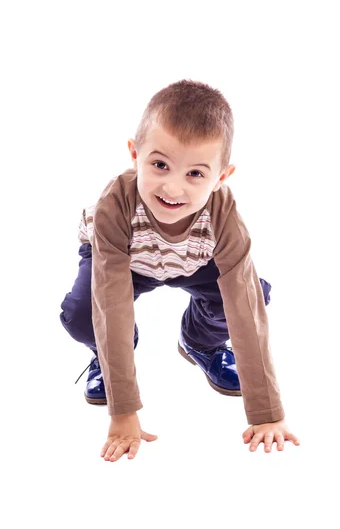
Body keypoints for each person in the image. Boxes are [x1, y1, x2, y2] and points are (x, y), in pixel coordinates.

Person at [60, 79, 300, 462]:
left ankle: (199, 342)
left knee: (255, 293)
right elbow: (111, 301)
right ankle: (105, 357)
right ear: (134, 154)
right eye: (159, 165)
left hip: (194, 260)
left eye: (195, 174)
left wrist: (267, 414)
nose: (172, 187)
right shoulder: (114, 206)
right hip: (126, 261)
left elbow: (245, 307)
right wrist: (124, 412)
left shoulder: (224, 217)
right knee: (84, 315)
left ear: (221, 177)